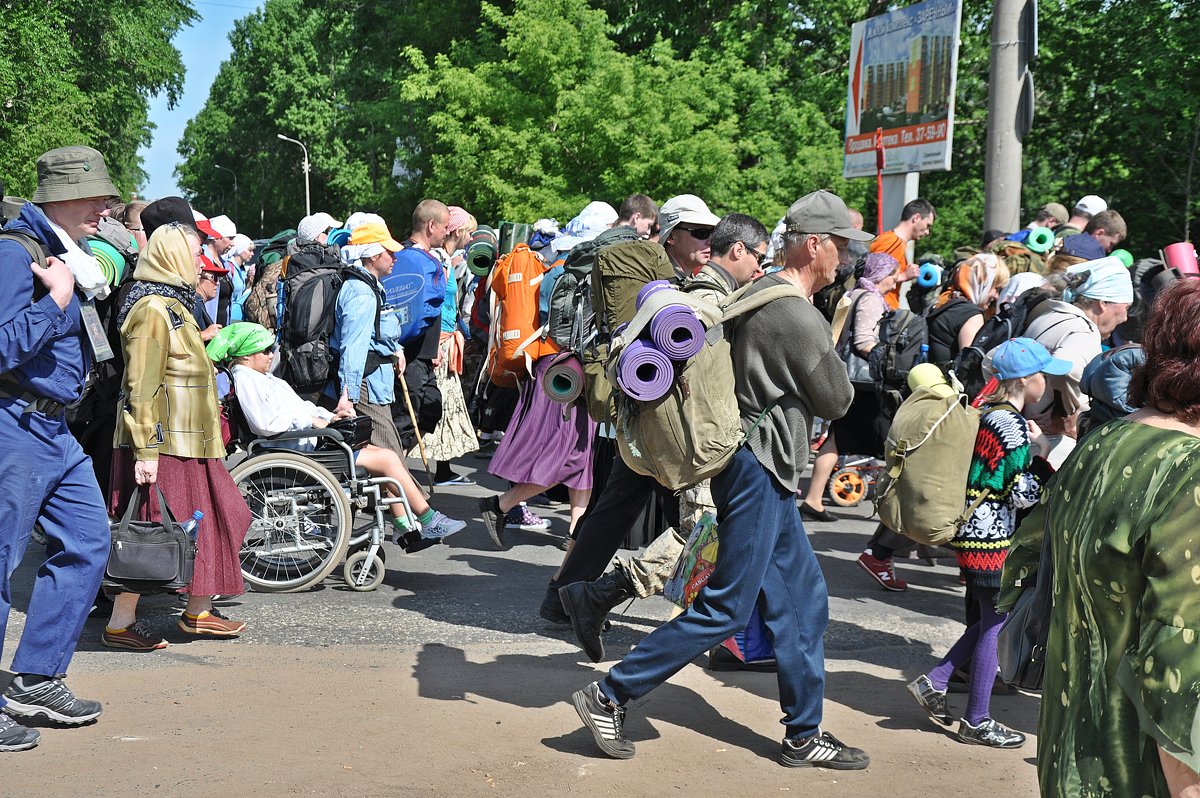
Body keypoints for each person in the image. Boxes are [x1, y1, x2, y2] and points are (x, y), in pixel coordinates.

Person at [569, 189, 871, 769]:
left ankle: (804, 734)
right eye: (841, 246)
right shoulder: (795, 313)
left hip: (762, 467)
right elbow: (837, 399)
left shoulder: (756, 290)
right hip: (759, 467)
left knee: (804, 601)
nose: (847, 258)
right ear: (814, 245)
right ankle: (611, 692)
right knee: (728, 608)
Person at [1003, 280, 1200, 795]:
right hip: (1137, 768)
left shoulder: (1099, 444)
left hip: (1068, 747)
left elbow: (1024, 560)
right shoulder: (1189, 472)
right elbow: (1177, 655)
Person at [554, 214, 771, 661]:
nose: (761, 269)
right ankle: (603, 596)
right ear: (738, 252)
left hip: (683, 441)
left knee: (711, 532)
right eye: (759, 258)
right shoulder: (709, 301)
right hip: (703, 445)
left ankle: (591, 596)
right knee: (708, 534)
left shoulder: (689, 293)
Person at [0, 146, 117, 751]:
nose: (105, 204)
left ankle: (37, 676)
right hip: (14, 425)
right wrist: (58, 303)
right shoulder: (16, 253)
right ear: (61, 196)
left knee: (91, 541)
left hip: (51, 430)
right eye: (96, 194)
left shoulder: (59, 253)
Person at [102, 222, 253, 651]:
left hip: (190, 441)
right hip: (163, 443)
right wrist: (144, 451)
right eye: (191, 253)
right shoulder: (152, 308)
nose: (199, 262)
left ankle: (197, 611)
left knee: (213, 520)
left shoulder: (175, 304)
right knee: (148, 531)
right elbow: (140, 384)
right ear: (170, 257)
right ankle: (120, 624)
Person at [907, 337, 1062, 748]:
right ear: (1026, 380)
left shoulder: (988, 412)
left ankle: (934, 681)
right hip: (992, 540)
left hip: (974, 535)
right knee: (997, 623)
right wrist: (1042, 457)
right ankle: (976, 720)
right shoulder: (1009, 423)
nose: (1046, 382)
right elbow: (1019, 492)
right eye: (1042, 374)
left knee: (985, 620)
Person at [209, 323, 465, 546]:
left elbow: (300, 407)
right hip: (295, 448)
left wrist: (330, 416)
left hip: (304, 441)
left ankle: (405, 524)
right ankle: (427, 519)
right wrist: (315, 421)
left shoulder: (260, 377)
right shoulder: (247, 379)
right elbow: (266, 423)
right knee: (386, 460)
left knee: (385, 457)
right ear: (244, 356)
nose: (270, 354)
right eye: (264, 350)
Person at [799, 252, 902, 525]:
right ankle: (894, 518)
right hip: (864, 382)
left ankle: (814, 498)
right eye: (891, 275)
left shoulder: (853, 294)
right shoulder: (869, 299)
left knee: (836, 438)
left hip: (849, 377)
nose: (894, 281)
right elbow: (863, 341)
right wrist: (886, 358)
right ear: (880, 275)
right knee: (888, 441)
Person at [1022, 255, 1133, 467]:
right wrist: (1066, 414)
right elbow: (1065, 370)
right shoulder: (1083, 330)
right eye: (1126, 307)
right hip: (1054, 445)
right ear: (1103, 303)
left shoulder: (1050, 315)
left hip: (1032, 436)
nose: (1125, 317)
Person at [423, 206, 479, 486]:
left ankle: (443, 467)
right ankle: (440, 469)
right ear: (457, 231)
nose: (470, 239)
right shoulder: (440, 261)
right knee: (441, 404)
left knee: (446, 405)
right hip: (441, 344)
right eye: (469, 232)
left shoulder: (443, 259)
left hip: (445, 340)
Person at [390, 199, 450, 455]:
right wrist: (400, 343)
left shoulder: (425, 259)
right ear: (430, 225)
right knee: (406, 416)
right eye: (445, 226)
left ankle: (396, 467)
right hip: (409, 354)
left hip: (423, 355)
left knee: (430, 409)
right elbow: (419, 311)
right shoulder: (408, 259)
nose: (448, 232)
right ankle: (391, 475)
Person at [871, 197, 935, 309]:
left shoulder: (896, 242)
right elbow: (871, 278)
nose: (927, 232)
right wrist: (904, 275)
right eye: (927, 225)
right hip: (877, 310)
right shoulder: (892, 242)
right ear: (916, 218)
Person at [656, 194, 720, 278]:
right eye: (702, 233)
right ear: (671, 237)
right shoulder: (660, 282)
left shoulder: (686, 279)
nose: (710, 241)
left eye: (714, 233)